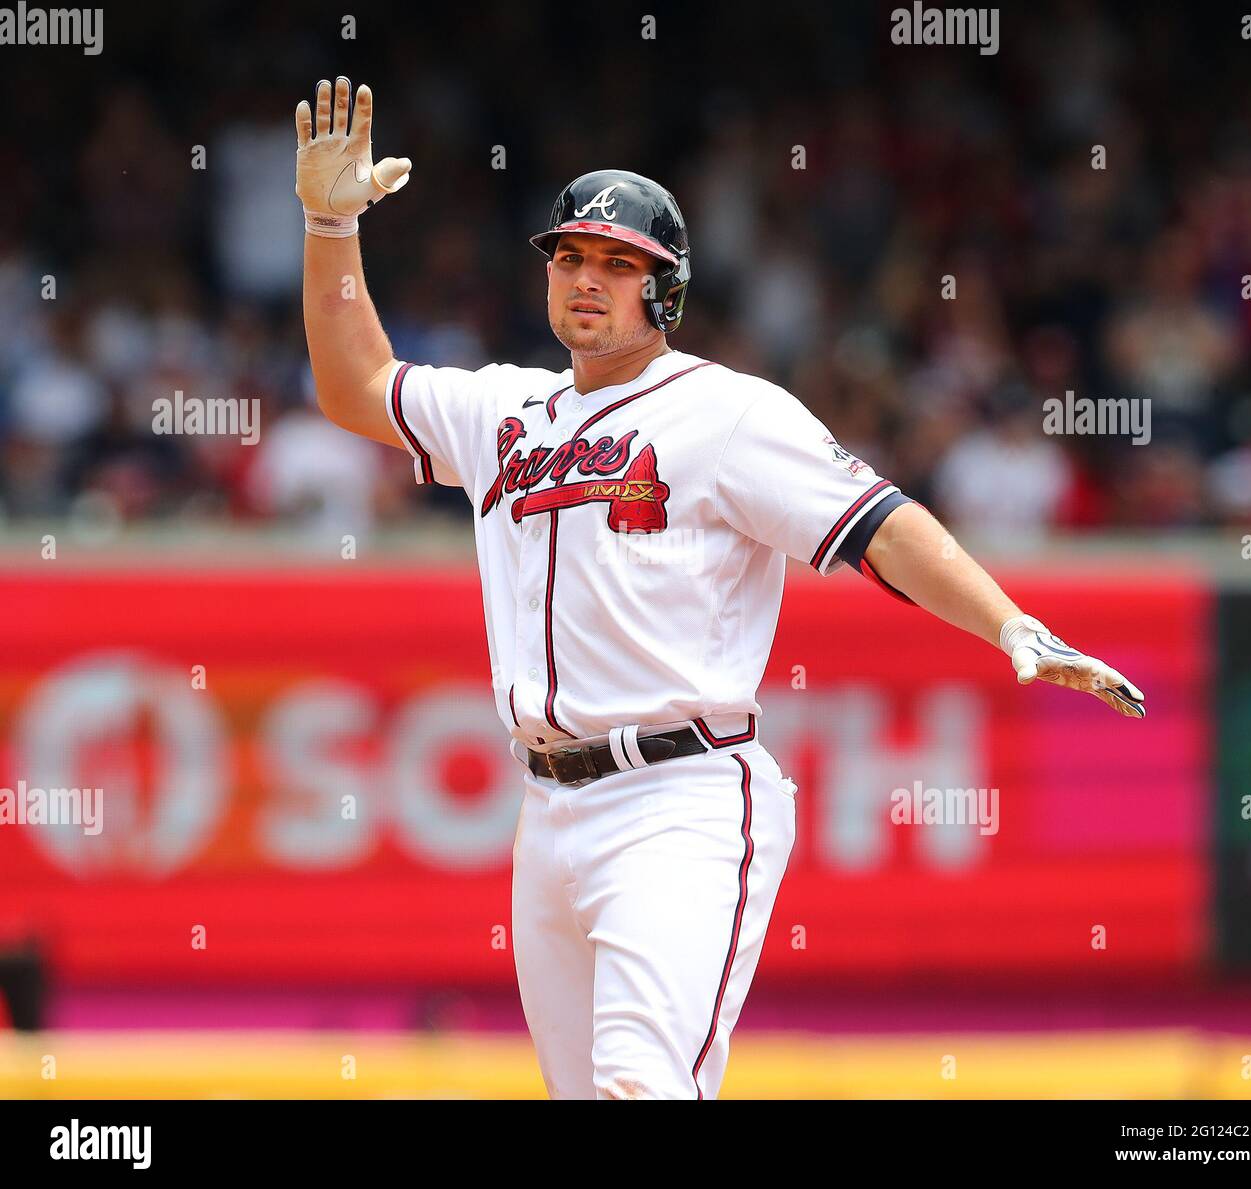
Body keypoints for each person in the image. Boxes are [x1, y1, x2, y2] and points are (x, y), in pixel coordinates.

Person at [295, 78, 1146, 1100]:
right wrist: (330, 224)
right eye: (571, 256)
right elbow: (353, 384)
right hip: (545, 807)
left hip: (678, 796)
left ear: (667, 289)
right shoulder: (502, 410)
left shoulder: (730, 414)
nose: (587, 278)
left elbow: (880, 522)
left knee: (642, 1089)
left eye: (620, 264)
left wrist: (1005, 620)